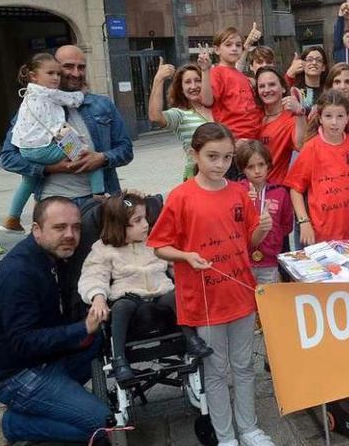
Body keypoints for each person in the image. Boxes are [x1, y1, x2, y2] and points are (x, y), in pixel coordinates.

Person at [148, 123, 276, 446]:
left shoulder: (238, 192)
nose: (220, 164)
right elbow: (159, 245)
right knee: (216, 371)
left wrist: (263, 227)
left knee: (244, 365)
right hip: (205, 298)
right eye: (212, 157)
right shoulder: (181, 197)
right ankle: (226, 436)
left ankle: (249, 428)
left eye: (227, 157)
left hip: (240, 291)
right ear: (195, 155)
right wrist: (186, 255)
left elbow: (249, 242)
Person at [0, 197, 110, 444]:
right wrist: (80, 329)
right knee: (105, 426)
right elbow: (23, 342)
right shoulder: (18, 274)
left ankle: (56, 401)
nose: (70, 234)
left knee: (97, 338)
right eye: (59, 227)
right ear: (36, 230)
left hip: (46, 359)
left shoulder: (52, 254)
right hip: (16, 373)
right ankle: (13, 424)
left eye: (76, 227)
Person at [77, 193, 212, 387]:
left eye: (145, 218)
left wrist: (192, 269)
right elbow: (94, 274)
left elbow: (175, 265)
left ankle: (192, 340)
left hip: (161, 297)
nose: (146, 225)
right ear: (119, 225)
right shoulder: (103, 249)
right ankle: (119, 358)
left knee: (176, 296)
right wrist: (97, 297)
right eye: (137, 220)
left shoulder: (154, 242)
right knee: (120, 307)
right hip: (131, 302)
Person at [0, 44, 134, 211]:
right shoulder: (33, 108)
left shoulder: (102, 105)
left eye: (81, 67)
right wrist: (48, 168)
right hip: (51, 203)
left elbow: (126, 150)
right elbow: (7, 158)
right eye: (68, 67)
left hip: (100, 201)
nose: (76, 73)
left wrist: (102, 158)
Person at [2, 54, 99, 234]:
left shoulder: (29, 94)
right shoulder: (48, 93)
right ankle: (99, 195)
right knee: (89, 156)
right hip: (44, 148)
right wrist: (83, 92)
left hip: (27, 150)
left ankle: (12, 219)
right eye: (50, 73)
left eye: (58, 74)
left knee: (28, 182)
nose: (56, 78)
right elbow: (73, 100)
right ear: (33, 76)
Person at [286, 90, 349, 244]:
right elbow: (295, 189)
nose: (334, 122)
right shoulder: (311, 148)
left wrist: (345, 188)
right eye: (328, 116)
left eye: (340, 116)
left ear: (348, 118)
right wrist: (304, 222)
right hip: (322, 232)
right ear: (320, 118)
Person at [236, 141, 293, 285]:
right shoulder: (237, 192)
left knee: (267, 303)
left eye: (261, 164)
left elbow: (286, 226)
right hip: (242, 262)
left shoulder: (280, 193)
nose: (257, 171)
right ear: (243, 169)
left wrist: (273, 236)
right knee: (246, 304)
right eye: (250, 167)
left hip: (269, 262)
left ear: (268, 164)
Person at [148, 60, 213, 180]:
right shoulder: (180, 114)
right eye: (187, 82)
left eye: (198, 80)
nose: (193, 86)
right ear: (181, 89)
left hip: (225, 172)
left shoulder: (218, 108)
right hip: (196, 176)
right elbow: (155, 117)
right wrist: (158, 79)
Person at [205, 27, 261, 143]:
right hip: (234, 140)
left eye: (238, 45)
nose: (234, 48)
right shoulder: (216, 73)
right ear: (216, 49)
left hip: (254, 138)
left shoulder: (240, 75)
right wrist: (204, 71)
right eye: (228, 45)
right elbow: (207, 101)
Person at [254, 67, 305, 184]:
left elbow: (300, 145)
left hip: (275, 190)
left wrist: (300, 114)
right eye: (261, 86)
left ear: (282, 88)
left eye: (272, 84)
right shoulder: (253, 115)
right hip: (248, 188)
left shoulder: (291, 119)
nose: (267, 90)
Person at [284, 46, 330, 114]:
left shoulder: (328, 91)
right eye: (309, 60)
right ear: (302, 64)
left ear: (323, 67)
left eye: (319, 60)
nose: (314, 63)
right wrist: (290, 73)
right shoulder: (296, 91)